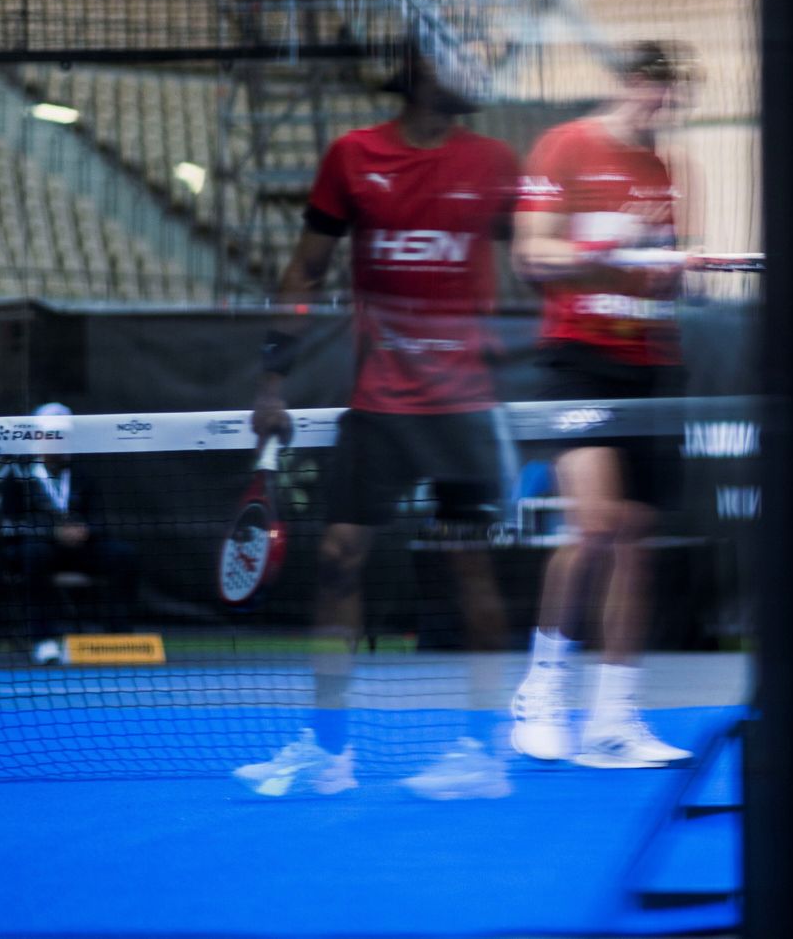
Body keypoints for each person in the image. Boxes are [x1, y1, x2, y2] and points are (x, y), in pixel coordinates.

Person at [232, 42, 520, 798]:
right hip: (381, 402)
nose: (478, 74)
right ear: (421, 71)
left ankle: (484, 754)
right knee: (337, 558)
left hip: (464, 408)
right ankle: (330, 753)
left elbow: (537, 265)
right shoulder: (352, 157)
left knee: (469, 567)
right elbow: (306, 270)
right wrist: (271, 378)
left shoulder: (494, 163)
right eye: (463, 59)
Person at [507, 41, 697, 768]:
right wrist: (613, 252)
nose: (661, 106)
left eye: (672, 96)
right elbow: (532, 256)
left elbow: (668, 280)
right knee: (592, 527)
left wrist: (669, 267)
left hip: (650, 363)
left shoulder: (667, 170)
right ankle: (542, 691)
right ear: (626, 84)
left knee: (635, 546)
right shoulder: (565, 145)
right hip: (576, 361)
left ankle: (614, 719)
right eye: (652, 90)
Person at [0, 402, 140, 663]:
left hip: (82, 549)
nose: (60, 441)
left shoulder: (83, 476)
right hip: (39, 550)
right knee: (34, 554)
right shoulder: (17, 477)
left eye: (64, 435)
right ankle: (44, 640)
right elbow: (11, 526)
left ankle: (118, 637)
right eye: (53, 435)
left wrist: (85, 530)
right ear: (37, 438)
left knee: (123, 555)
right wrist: (52, 532)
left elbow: (100, 520)